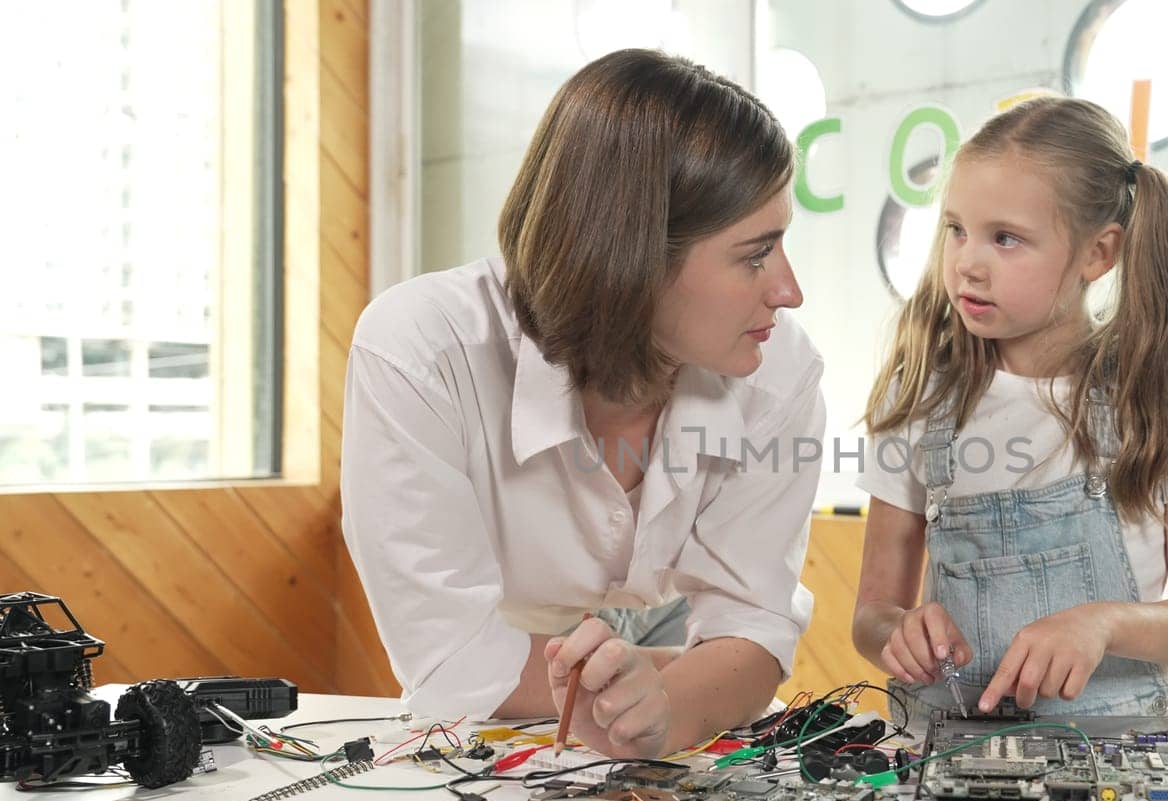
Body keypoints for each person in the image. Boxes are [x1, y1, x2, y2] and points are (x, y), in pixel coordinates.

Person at [341, 49, 823, 759]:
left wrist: (672, 698)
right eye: (755, 254)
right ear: (629, 255)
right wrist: (680, 686)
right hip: (501, 704)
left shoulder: (779, 369)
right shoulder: (420, 352)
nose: (789, 291)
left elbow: (753, 630)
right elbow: (451, 658)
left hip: (651, 655)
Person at [852, 97, 1168, 720]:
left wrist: (1104, 625)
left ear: (1099, 253)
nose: (967, 263)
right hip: (942, 750)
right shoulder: (922, 398)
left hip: (1114, 755)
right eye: (956, 229)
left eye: (1006, 239)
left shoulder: (1163, 409)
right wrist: (897, 634)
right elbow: (872, 614)